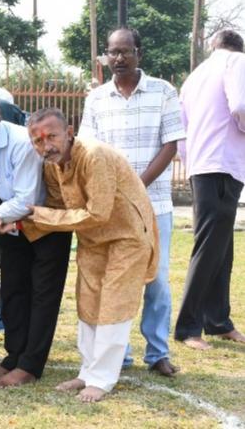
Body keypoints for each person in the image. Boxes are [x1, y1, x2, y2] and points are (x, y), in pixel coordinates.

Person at [6, 107, 157, 402]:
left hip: (126, 235)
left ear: (70, 132)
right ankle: (88, 371)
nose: (45, 145)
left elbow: (98, 213)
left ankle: (102, 379)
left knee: (113, 303)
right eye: (37, 141)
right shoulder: (50, 164)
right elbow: (56, 206)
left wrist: (35, 215)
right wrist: (19, 223)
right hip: (91, 238)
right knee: (88, 303)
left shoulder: (94, 154)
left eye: (52, 136)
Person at [78, 28, 184, 377]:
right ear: (105, 56)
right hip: (110, 208)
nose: (119, 58)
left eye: (126, 51)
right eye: (113, 52)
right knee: (114, 281)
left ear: (139, 53)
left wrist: (134, 188)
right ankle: (117, 355)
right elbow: (87, 149)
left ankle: (157, 354)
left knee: (157, 281)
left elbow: (170, 146)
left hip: (154, 205)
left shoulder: (164, 92)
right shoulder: (96, 98)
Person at [0, 93, 71, 383]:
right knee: (12, 292)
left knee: (42, 296)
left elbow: (26, 201)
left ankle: (30, 366)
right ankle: (15, 355)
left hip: (47, 222)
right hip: (14, 227)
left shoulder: (22, 141)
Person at [175, 29, 245, 349]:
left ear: (213, 46)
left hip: (203, 165)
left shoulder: (194, 77)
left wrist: (191, 163)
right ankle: (188, 327)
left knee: (221, 246)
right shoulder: (236, 62)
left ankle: (217, 320)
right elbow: (241, 105)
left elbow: (182, 131)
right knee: (209, 246)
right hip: (222, 163)